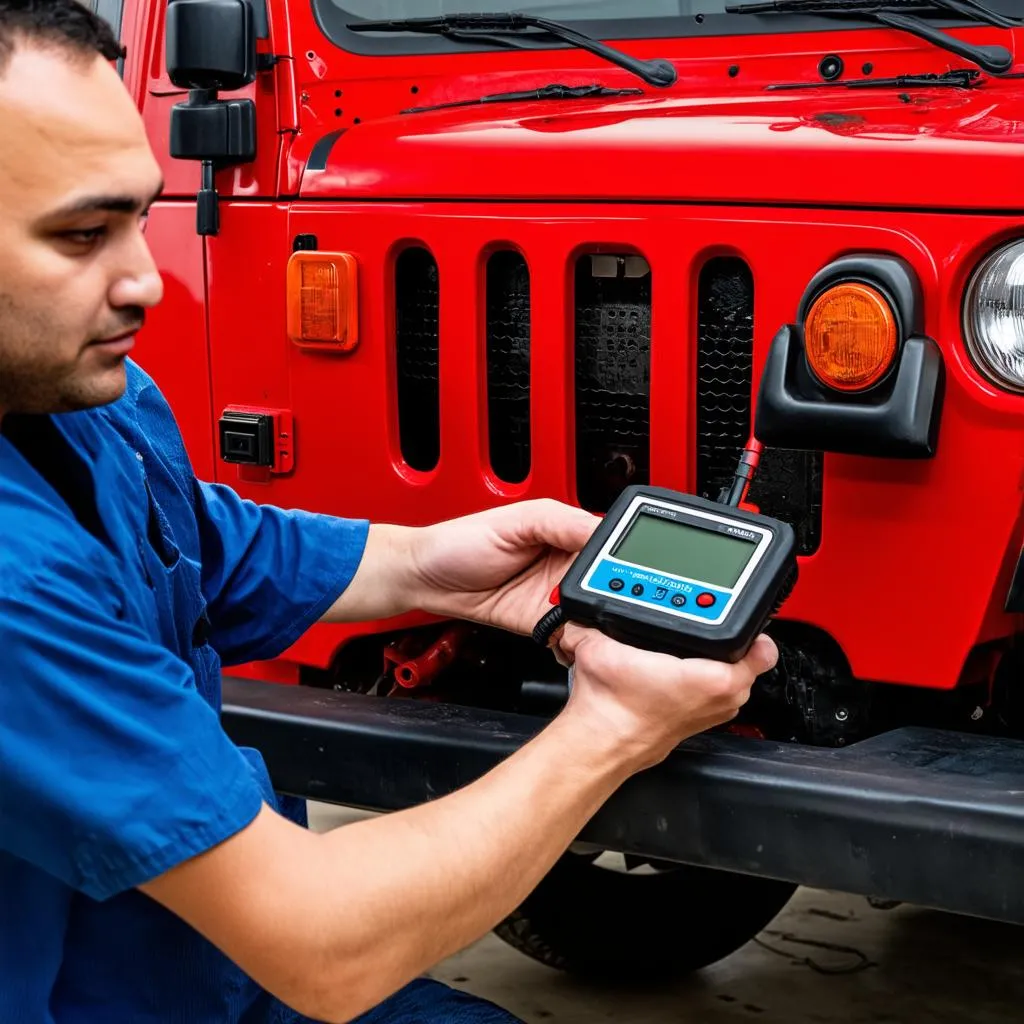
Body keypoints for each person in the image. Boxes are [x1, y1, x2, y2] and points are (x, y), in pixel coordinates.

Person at [0, 2, 779, 1023]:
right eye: (81, 235)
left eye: (142, 216)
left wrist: (436, 562)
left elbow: (215, 550)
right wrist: (612, 730)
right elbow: (324, 943)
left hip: (210, 977)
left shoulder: (85, 402)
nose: (145, 280)